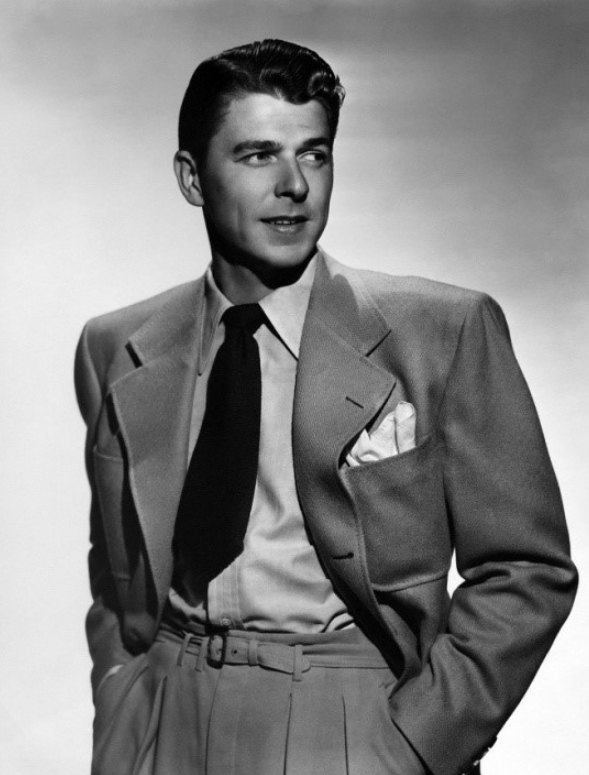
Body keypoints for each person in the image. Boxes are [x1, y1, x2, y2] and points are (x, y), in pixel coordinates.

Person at [74, 39, 577, 775]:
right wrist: (123, 720)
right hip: (167, 715)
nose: (294, 185)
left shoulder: (440, 331)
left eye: (314, 154)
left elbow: (527, 568)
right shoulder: (116, 346)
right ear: (191, 177)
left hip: (347, 718)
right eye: (258, 155)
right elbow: (118, 571)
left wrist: (416, 744)